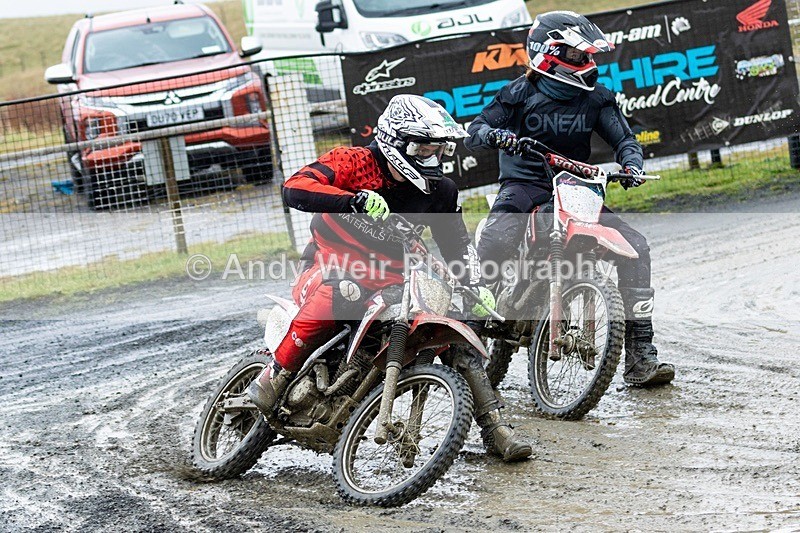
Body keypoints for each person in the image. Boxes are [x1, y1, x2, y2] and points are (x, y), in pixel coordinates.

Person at [248, 94, 532, 461]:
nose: (432, 157)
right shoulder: (352, 161)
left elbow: (456, 244)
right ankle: (276, 375)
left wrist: (476, 285)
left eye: (438, 150)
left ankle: (494, 428)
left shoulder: (440, 190)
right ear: (396, 141)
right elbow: (295, 187)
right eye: (423, 147)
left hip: (396, 273)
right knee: (342, 289)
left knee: (453, 329)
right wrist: (352, 200)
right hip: (330, 260)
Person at [465, 11, 674, 387]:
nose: (586, 64)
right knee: (495, 238)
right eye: (578, 56)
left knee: (637, 248)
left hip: (577, 188)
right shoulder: (518, 92)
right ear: (548, 53)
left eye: (588, 57)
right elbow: (476, 129)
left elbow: (625, 140)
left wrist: (631, 165)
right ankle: (467, 344)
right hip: (525, 186)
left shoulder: (598, 97)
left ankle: (641, 357)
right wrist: (499, 137)